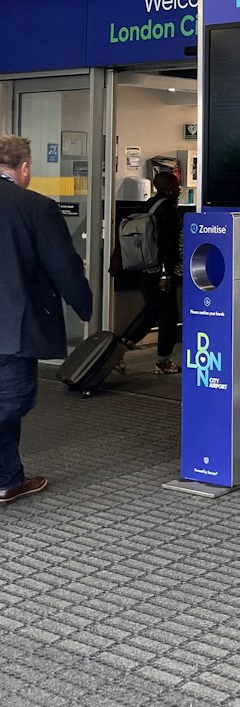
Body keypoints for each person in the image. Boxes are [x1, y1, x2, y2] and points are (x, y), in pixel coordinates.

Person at [0, 134, 92, 505]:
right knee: (10, 401)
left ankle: (8, 478)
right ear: (23, 168)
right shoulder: (36, 207)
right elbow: (63, 266)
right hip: (13, 328)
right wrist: (84, 305)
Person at [132, 171, 182, 373]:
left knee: (153, 313)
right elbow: (166, 245)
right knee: (168, 316)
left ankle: (120, 348)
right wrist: (165, 274)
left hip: (146, 269)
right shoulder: (168, 210)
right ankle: (163, 361)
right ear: (169, 188)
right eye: (177, 186)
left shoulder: (150, 205)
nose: (179, 190)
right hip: (161, 273)